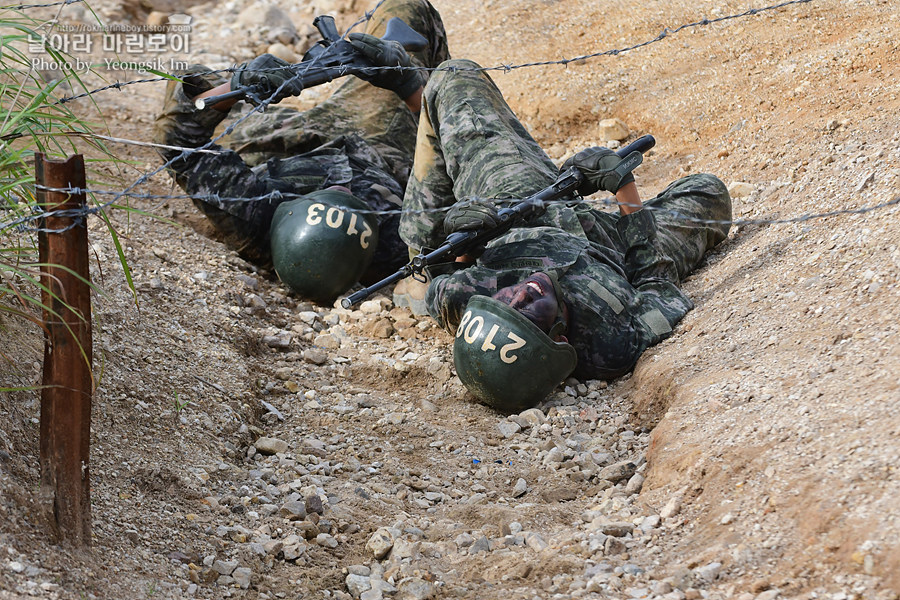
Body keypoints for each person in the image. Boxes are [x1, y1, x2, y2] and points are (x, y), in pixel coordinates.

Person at [398, 58, 732, 413]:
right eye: (528, 312)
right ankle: (579, 179)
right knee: (709, 194)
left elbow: (445, 280)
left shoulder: (465, 298)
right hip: (612, 243)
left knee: (454, 76)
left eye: (508, 301)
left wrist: (465, 237)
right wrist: (622, 187)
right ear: (558, 337)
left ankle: (411, 98)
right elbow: (656, 281)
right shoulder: (612, 342)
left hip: (508, 210)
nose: (523, 295)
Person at [152, 0, 449, 303]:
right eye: (350, 198)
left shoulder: (253, 216)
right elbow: (454, 154)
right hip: (378, 143)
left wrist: (238, 83)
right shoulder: (400, 242)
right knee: (406, 14)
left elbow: (176, 141)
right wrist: (409, 85)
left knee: (201, 92)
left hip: (272, 137)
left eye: (323, 195)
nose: (336, 186)